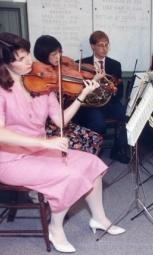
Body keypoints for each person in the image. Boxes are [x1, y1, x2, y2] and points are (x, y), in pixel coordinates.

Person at [0, 32, 125, 253]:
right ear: (5, 64)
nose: (29, 61)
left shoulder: (40, 83)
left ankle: (99, 218)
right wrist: (44, 144)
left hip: (40, 150)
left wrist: (82, 95)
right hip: (11, 159)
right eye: (20, 59)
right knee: (70, 176)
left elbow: (61, 120)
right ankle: (55, 228)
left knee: (91, 164)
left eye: (27, 54)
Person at [33, 35, 103, 155]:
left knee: (96, 139)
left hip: (64, 119)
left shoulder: (61, 71)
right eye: (54, 54)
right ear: (43, 55)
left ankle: (82, 169)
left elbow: (69, 96)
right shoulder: (40, 77)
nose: (59, 57)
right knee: (82, 144)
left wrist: (88, 85)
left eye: (60, 52)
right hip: (49, 126)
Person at [76, 30, 130, 164]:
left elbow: (119, 89)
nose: (104, 49)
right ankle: (95, 150)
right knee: (98, 124)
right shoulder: (81, 64)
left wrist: (114, 89)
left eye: (107, 45)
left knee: (127, 115)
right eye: (101, 45)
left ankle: (117, 150)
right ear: (92, 46)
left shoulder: (115, 65)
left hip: (110, 103)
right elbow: (79, 89)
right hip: (91, 106)